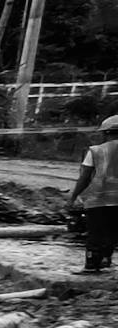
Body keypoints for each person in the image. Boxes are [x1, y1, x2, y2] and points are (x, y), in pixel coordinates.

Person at [67, 113, 118, 274]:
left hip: (99, 198)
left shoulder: (96, 151)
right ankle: (106, 261)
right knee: (112, 231)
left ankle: (92, 265)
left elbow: (84, 177)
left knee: (96, 233)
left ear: (107, 132)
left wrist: (73, 197)